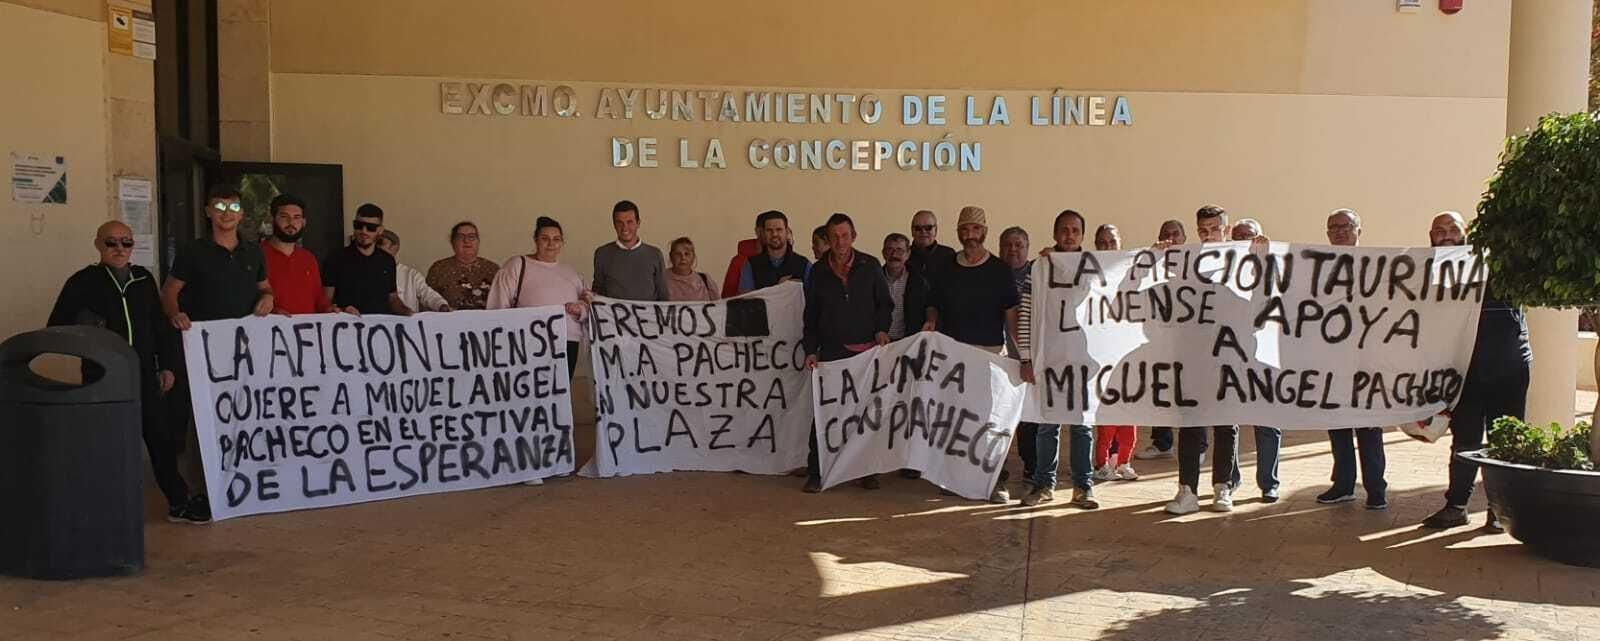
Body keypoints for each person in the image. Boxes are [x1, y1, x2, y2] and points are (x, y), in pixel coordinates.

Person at [50, 221, 206, 523]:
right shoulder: (83, 282)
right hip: (103, 377)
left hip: (145, 373)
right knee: (106, 443)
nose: (119, 249)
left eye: (126, 242)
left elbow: (159, 327)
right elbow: (57, 326)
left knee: (160, 439)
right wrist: (90, 327)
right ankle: (105, 508)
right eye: (111, 243)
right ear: (98, 245)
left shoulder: (143, 279)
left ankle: (179, 501)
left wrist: (168, 366)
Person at [161, 184, 276, 523]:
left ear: (241, 214)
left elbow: (264, 286)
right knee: (204, 421)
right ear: (208, 212)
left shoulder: (253, 253)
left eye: (233, 206)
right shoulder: (192, 251)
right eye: (220, 206)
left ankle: (243, 480)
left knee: (242, 412)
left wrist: (267, 299)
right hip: (202, 351)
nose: (227, 212)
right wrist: (174, 314)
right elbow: (170, 292)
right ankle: (202, 490)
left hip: (243, 352)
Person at [1422, 211, 1529, 531]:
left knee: (1504, 440)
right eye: (1439, 231)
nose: (1446, 236)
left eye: (1453, 229)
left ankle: (1499, 510)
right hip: (1463, 372)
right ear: (1431, 236)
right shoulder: (1425, 271)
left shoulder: (1498, 263)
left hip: (1507, 366)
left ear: (1466, 232)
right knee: (1465, 441)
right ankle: (1456, 505)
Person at [921, 207, 1020, 504]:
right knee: (954, 418)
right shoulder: (946, 267)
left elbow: (1011, 315)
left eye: (975, 230)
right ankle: (953, 477)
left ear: (985, 233)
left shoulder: (1000, 270)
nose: (969, 236)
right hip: (953, 356)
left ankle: (995, 481)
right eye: (964, 230)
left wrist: (1022, 356)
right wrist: (931, 321)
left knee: (990, 420)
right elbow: (933, 303)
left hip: (989, 354)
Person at [801, 213, 893, 494]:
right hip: (831, 352)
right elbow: (811, 315)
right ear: (827, 240)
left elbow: (884, 305)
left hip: (866, 353)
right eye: (834, 237)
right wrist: (810, 349)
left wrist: (881, 330)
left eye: (845, 235)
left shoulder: (871, 266)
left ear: (853, 236)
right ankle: (817, 472)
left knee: (867, 413)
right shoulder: (817, 272)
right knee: (826, 413)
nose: (840, 242)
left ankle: (867, 471)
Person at [1015, 210, 1098, 508]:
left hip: (1080, 362)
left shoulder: (1092, 269)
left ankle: (1083, 486)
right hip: (1046, 359)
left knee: (1081, 426)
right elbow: (1026, 314)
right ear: (1055, 232)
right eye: (1064, 230)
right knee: (1047, 425)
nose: (1069, 235)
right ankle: (1043, 484)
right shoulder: (1038, 268)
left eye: (1075, 230)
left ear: (1082, 236)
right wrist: (1026, 357)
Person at [1167, 205, 1242, 515]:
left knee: (1226, 423)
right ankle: (1187, 490)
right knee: (1190, 423)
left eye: (1214, 229)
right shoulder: (1186, 262)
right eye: (1203, 230)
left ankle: (1223, 487)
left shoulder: (1242, 261)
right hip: (1193, 355)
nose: (1208, 235)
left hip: (1229, 355)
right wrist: (1162, 257)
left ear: (1226, 229)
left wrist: (1264, 255)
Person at [1316, 208, 1388, 510]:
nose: (1340, 231)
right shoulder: (1317, 269)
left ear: (1359, 230)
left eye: (1346, 226)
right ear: (1328, 234)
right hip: (1333, 363)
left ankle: (1376, 489)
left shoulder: (1378, 267)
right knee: (1338, 426)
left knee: (1369, 429)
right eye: (1334, 227)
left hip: (1367, 364)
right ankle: (1344, 484)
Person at [486, 216, 588, 381]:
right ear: (536, 240)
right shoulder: (517, 265)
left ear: (562, 242)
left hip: (567, 343)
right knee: (528, 395)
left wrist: (580, 310)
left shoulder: (571, 273)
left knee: (560, 396)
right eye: (545, 239)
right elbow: (498, 305)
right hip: (529, 342)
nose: (551, 244)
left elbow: (588, 306)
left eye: (556, 239)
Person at [1229, 218, 1284, 502]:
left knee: (1267, 421)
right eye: (1238, 237)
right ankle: (1230, 479)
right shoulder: (1222, 269)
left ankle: (1268, 482)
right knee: (1229, 421)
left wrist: (1264, 262)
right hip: (1230, 353)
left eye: (1249, 237)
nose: (1244, 242)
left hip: (1263, 355)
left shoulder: (1273, 267)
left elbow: (1272, 303)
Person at [1088, 224, 1140, 482]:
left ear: (1121, 244)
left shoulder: (1131, 272)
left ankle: (1123, 462)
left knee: (1128, 423)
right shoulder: (1086, 273)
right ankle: (1101, 465)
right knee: (1106, 423)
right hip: (1101, 361)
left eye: (1112, 242)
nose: (1107, 247)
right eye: (1102, 242)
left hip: (1127, 360)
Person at [1137, 219, 1189, 460]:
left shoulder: (1195, 263)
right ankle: (1162, 442)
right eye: (1165, 234)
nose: (1170, 238)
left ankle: (1195, 445)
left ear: (1184, 238)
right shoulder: (1151, 263)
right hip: (1157, 339)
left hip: (1188, 339)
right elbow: (1134, 285)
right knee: (1160, 391)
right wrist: (1150, 256)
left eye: (1175, 233)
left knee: (1189, 392)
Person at [998, 226, 1039, 483]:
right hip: (998, 355)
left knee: (1029, 415)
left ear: (1027, 247)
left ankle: (1031, 465)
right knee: (999, 414)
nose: (1013, 249)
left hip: (1030, 355)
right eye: (1008, 245)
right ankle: (995, 466)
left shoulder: (1039, 273)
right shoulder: (991, 273)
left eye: (1019, 245)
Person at [322, 203, 412, 316]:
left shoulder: (387, 261)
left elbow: (392, 298)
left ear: (380, 230)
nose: (364, 231)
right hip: (346, 328)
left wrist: (407, 312)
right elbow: (325, 301)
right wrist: (342, 309)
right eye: (358, 225)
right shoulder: (335, 258)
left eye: (371, 228)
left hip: (381, 328)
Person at [260, 193, 336, 315]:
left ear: (304, 222)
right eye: (284, 216)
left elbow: (319, 300)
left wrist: (335, 311)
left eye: (297, 217)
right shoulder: (255, 256)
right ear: (272, 219)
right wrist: (271, 314)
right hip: (269, 332)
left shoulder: (309, 258)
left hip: (307, 333)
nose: (291, 222)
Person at [426, 221, 499, 311]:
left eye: (471, 237)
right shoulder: (439, 269)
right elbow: (428, 302)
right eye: (460, 237)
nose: (466, 241)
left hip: (489, 323)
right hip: (450, 322)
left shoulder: (493, 269)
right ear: (452, 242)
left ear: (478, 241)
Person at [737, 210, 809, 294]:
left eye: (779, 230)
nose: (774, 234)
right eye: (769, 230)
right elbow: (746, 300)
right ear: (763, 233)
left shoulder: (804, 264)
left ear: (787, 231)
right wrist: (778, 288)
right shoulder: (751, 264)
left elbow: (813, 299)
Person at [378, 230, 451, 313]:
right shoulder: (364, 272)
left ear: (395, 248)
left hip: (406, 323)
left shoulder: (411, 275)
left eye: (380, 243)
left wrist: (441, 305)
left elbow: (427, 294)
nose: (376, 248)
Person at [881, 233, 928, 341]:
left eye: (900, 250)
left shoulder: (919, 283)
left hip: (908, 343)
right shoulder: (874, 280)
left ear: (908, 254)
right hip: (879, 342)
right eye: (889, 249)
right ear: (883, 253)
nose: (894, 255)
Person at [906, 209, 956, 289]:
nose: (923, 232)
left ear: (935, 230)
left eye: (928, 228)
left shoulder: (949, 255)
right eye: (918, 228)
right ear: (912, 231)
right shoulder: (903, 256)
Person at [720, 216, 762, 297]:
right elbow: (728, 295)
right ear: (759, 231)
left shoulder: (789, 260)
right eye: (769, 230)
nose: (774, 235)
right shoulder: (740, 261)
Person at [665, 237, 717, 302]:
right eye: (678, 254)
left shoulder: (705, 280)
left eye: (687, 254)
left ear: (693, 257)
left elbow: (718, 308)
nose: (683, 257)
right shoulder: (660, 279)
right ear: (671, 256)